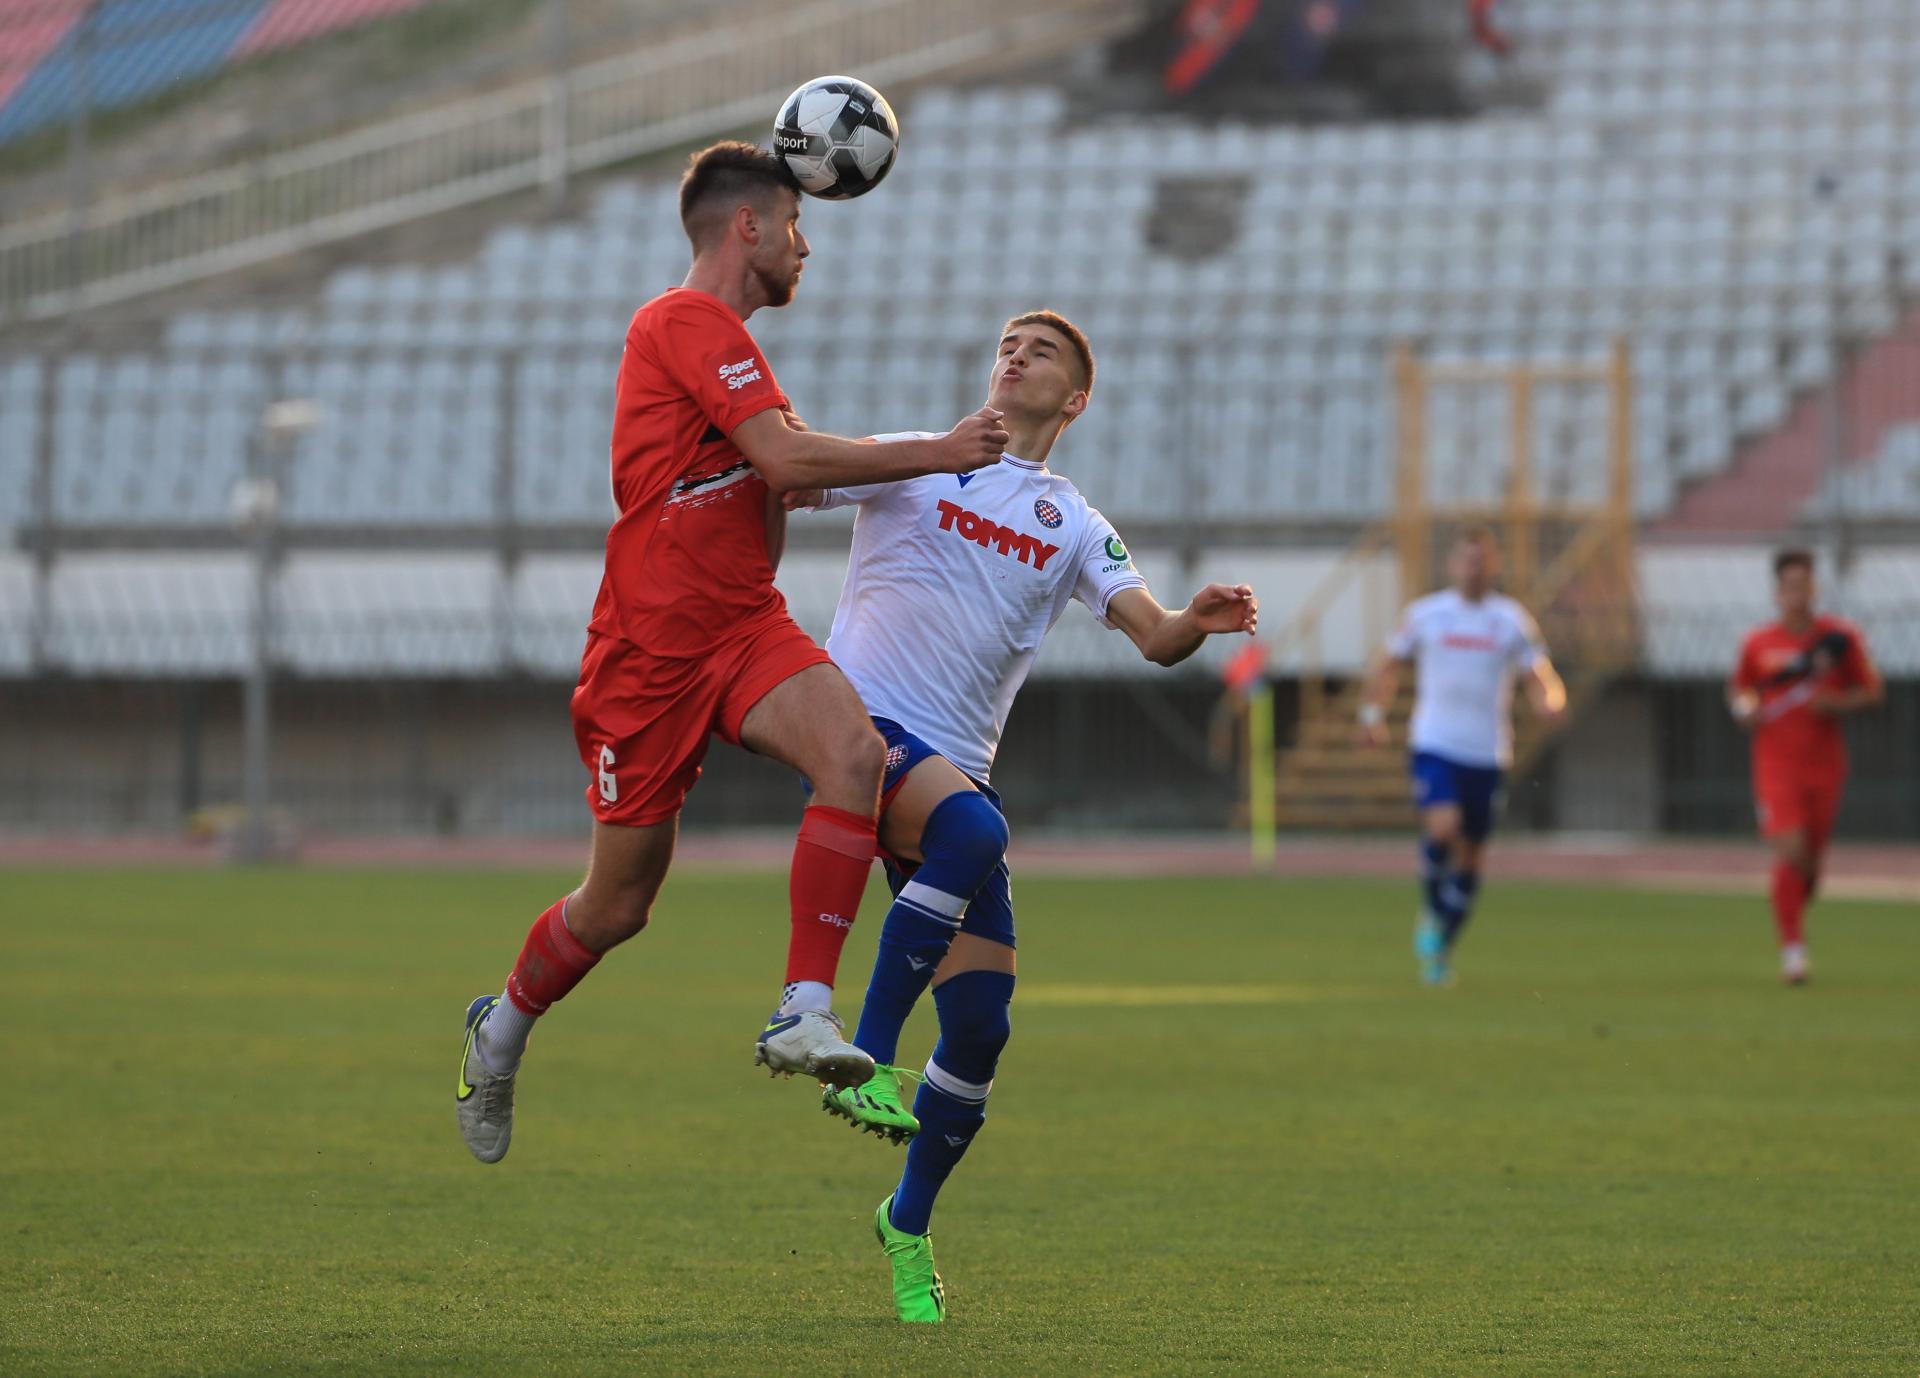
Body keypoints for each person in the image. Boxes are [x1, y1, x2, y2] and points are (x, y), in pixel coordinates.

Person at [453, 142, 1009, 1165]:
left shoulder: (731, 351)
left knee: (854, 754)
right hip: (650, 648)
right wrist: (939, 448)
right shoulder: (680, 321)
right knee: (620, 903)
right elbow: (786, 456)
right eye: (798, 225)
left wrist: (808, 476)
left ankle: (803, 1008)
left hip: (744, 625)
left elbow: (783, 469)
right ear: (747, 226)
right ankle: (502, 1029)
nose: (807, 249)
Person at [783, 310, 1260, 1323]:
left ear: (1074, 399)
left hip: (951, 772)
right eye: (1007, 344)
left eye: (1041, 352)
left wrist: (1196, 621)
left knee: (982, 1028)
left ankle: (906, 1222)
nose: (1016, 355)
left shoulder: (1075, 522)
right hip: (860, 730)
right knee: (975, 833)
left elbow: (1153, 636)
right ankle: (858, 1058)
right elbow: (790, 478)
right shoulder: (918, 459)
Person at [1356, 529, 1566, 986]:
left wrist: (1549, 698)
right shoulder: (1427, 615)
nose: (1474, 569)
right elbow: (1389, 665)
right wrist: (1373, 714)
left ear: (1495, 567)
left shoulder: (1510, 620)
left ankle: (1441, 945)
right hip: (1436, 743)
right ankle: (1432, 910)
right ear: (1453, 566)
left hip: (1487, 751)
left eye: (1482, 561)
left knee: (1471, 855)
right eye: (1466, 560)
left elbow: (1539, 671)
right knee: (1443, 827)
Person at [1728, 549, 1882, 985]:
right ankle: (1794, 953)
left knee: (1808, 863)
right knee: (1790, 850)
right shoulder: (1758, 643)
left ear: (1815, 588)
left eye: (1805, 585)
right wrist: (1746, 710)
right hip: (1775, 765)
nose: (1798, 595)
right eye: (1790, 586)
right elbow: (1741, 692)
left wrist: (1839, 702)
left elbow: (1873, 692)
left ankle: (1799, 891)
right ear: (1777, 592)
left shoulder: (1839, 639)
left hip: (1826, 766)